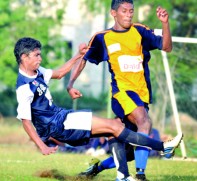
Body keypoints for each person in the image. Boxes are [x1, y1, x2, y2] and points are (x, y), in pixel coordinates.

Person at [14, 37, 182, 180]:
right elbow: (26, 121)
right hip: (58, 126)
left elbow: (58, 74)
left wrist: (78, 56)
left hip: (62, 117)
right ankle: (162, 147)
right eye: (36, 55)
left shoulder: (38, 72)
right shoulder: (23, 88)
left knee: (114, 130)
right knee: (115, 127)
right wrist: (42, 146)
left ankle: (123, 176)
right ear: (24, 57)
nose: (40, 58)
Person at [67, 0, 173, 180]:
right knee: (144, 121)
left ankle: (96, 169)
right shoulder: (102, 37)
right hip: (121, 93)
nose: (129, 14)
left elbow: (166, 47)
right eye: (124, 11)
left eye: (131, 11)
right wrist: (70, 84)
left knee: (129, 151)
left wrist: (165, 23)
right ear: (113, 13)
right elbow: (83, 58)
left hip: (142, 94)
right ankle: (140, 175)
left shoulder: (140, 31)